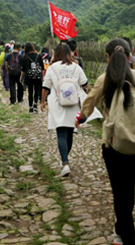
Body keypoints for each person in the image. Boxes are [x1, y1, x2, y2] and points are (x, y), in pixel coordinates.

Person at [76, 38, 135, 245]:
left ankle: (125, 236)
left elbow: (89, 102)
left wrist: (82, 118)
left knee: (119, 191)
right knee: (129, 188)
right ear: (131, 54)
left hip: (113, 145)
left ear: (107, 57)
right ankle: (122, 232)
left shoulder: (104, 79)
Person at [40, 43, 89, 177]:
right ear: (69, 53)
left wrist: (43, 102)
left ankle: (65, 162)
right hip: (73, 103)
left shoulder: (52, 68)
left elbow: (46, 87)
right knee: (70, 132)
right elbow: (85, 85)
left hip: (57, 103)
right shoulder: (76, 67)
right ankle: (65, 157)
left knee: (61, 132)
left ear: (56, 53)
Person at [21, 43, 44, 113]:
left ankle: (30, 107)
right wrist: (42, 76)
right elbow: (42, 68)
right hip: (37, 76)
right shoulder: (38, 56)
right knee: (36, 90)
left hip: (29, 76)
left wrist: (21, 77)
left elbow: (23, 69)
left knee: (30, 91)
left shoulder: (25, 57)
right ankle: (35, 105)